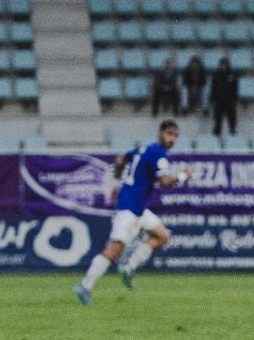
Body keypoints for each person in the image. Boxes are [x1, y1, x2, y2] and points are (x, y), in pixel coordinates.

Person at [74, 120, 182, 304]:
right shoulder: (158, 154)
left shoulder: (143, 149)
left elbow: (120, 159)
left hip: (139, 209)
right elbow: (164, 180)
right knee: (115, 248)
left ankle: (128, 268)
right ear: (160, 133)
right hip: (129, 209)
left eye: (175, 136)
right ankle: (85, 286)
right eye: (169, 134)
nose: (172, 139)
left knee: (162, 236)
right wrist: (182, 176)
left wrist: (117, 183)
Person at [209, 58, 240, 138]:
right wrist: (212, 99)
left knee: (232, 119)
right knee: (218, 120)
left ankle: (233, 133)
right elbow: (213, 88)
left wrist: (235, 99)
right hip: (219, 101)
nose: (223, 66)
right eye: (222, 65)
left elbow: (235, 88)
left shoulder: (232, 75)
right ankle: (216, 135)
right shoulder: (216, 75)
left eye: (225, 65)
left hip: (229, 101)